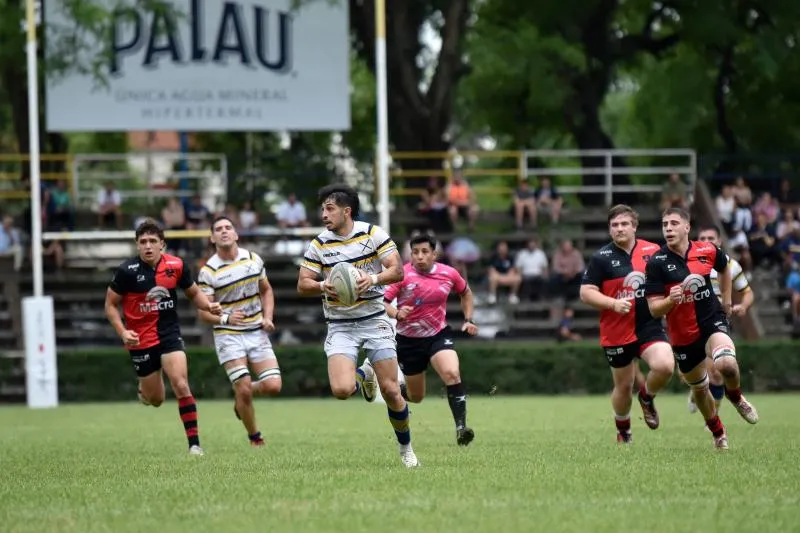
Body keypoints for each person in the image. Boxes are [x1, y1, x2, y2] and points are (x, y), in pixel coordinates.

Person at [297, 184, 418, 467]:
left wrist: (372, 279)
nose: (324, 214)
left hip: (374, 320)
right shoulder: (319, 244)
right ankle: (365, 373)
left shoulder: (372, 234)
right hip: (340, 324)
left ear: (346, 211)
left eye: (330, 209)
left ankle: (406, 450)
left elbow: (397, 270)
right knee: (341, 390)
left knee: (390, 390)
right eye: (323, 209)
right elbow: (302, 284)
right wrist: (322, 285)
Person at [104, 218, 222, 456]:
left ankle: (194, 445)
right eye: (143, 242)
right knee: (156, 399)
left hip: (169, 335)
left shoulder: (176, 266)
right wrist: (123, 332)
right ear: (137, 245)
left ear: (162, 245)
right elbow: (110, 305)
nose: (147, 246)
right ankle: (144, 391)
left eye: (152, 241)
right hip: (140, 340)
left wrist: (208, 307)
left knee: (181, 383)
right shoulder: (127, 271)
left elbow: (193, 293)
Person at [644, 207, 757, 451]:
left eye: (674, 223)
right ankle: (718, 432)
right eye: (665, 225)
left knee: (726, 365)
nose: (669, 228)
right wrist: (670, 300)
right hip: (682, 335)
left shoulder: (707, 251)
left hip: (711, 320)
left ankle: (735, 396)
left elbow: (725, 267)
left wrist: (726, 300)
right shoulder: (656, 263)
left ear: (687, 227)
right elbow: (654, 310)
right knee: (700, 389)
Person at [580, 204, 674, 444]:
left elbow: (669, 282)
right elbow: (586, 292)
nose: (619, 229)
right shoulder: (601, 258)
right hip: (616, 330)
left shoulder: (654, 251)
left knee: (664, 366)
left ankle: (647, 397)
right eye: (614, 225)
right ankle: (624, 431)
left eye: (624, 224)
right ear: (609, 229)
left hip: (648, 325)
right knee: (623, 386)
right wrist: (612, 304)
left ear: (635, 227)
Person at [383, 232, 478, 446]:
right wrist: (397, 313)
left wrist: (469, 318)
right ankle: (394, 390)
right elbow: (384, 303)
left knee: (452, 373)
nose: (419, 256)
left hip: (438, 335)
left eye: (425, 252)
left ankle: (461, 429)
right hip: (408, 341)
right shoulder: (401, 274)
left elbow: (466, 293)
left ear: (434, 254)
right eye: (415, 252)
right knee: (416, 397)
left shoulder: (449, 273)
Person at [196, 216, 282, 447]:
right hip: (228, 334)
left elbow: (266, 291)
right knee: (243, 386)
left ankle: (241, 395)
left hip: (256, 331)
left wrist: (268, 317)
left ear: (236, 234)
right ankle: (255, 437)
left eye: (228, 228)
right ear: (212, 238)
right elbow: (203, 313)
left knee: (273, 386)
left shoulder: (253, 259)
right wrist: (224, 316)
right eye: (218, 229)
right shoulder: (208, 271)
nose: (224, 232)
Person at [685, 225, 757, 421]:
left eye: (711, 237)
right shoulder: (688, 263)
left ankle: (713, 420)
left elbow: (747, 292)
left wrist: (742, 306)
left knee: (717, 373)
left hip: (716, 319)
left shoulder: (730, 265)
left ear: (719, 241)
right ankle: (698, 387)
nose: (707, 241)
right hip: (689, 321)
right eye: (703, 237)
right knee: (692, 373)